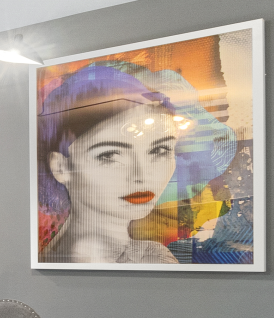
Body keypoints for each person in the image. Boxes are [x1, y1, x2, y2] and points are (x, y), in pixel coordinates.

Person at [36, 64, 181, 264]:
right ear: (61, 167)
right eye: (109, 155)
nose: (142, 174)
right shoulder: (151, 259)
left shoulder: (154, 256)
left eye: (159, 150)